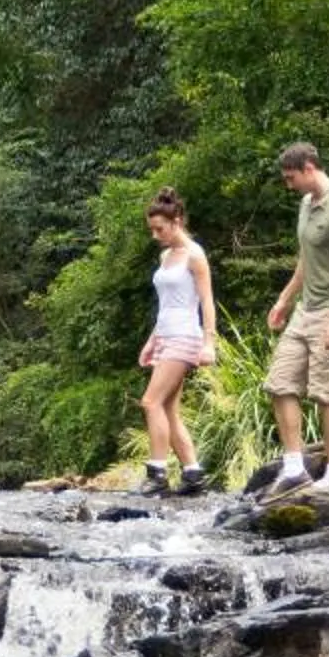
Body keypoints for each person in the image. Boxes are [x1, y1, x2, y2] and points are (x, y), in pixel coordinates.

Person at [260, 142, 329, 496]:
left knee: (327, 395)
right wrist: (284, 299)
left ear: (309, 168)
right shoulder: (307, 205)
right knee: (279, 384)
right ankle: (295, 468)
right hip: (305, 311)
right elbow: (306, 260)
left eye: (291, 177)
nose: (288, 184)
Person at [137, 189, 217, 497]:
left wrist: (209, 343)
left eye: (160, 229)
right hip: (166, 335)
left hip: (185, 336)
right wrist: (151, 340)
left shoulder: (195, 255)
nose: (155, 235)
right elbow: (166, 305)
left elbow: (206, 301)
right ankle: (193, 474)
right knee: (168, 409)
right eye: (152, 229)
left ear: (177, 222)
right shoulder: (165, 256)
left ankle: (157, 474)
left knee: (151, 402)